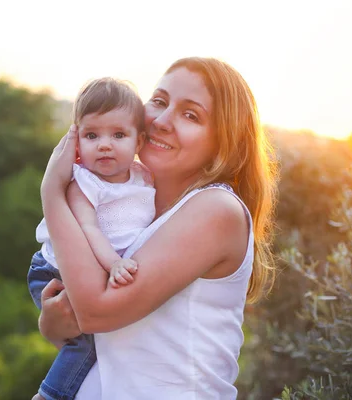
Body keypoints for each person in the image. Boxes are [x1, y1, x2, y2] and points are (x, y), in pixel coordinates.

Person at [37, 57, 278, 399]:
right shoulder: (135, 211)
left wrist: (51, 191)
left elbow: (96, 312)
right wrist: (51, 326)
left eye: (190, 114)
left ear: (224, 142)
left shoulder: (216, 209)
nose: (163, 121)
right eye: (160, 102)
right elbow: (110, 340)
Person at [28, 77, 157, 400]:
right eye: (91, 135)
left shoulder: (144, 178)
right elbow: (89, 229)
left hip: (96, 271)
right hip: (54, 272)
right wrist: (114, 263)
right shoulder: (83, 183)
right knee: (90, 340)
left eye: (118, 135)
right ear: (75, 143)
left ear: (138, 141)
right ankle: (49, 395)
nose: (104, 144)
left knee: (104, 339)